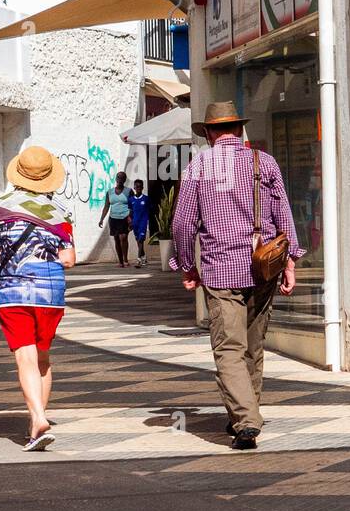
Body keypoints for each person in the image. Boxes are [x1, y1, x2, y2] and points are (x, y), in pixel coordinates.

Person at [171, 101, 302, 450]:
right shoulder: (264, 162)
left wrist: (187, 265)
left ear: (211, 133)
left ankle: (245, 420)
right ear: (239, 130)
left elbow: (183, 223)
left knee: (229, 347)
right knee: (253, 346)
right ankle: (246, 414)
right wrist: (290, 263)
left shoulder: (198, 165)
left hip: (219, 268)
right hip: (264, 266)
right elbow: (284, 216)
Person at [0, 146, 76, 452]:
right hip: (51, 293)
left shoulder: (2, 208)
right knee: (42, 358)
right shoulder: (60, 212)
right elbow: (69, 259)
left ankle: (38, 418)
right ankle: (36, 424)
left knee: (25, 357)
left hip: (14, 293)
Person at [98, 170, 132, 267]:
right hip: (113, 218)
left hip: (125, 217)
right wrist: (101, 219)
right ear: (116, 179)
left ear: (125, 180)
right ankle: (120, 261)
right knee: (117, 239)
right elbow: (106, 206)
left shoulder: (129, 191)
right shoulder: (110, 192)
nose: (119, 179)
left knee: (123, 237)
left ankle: (125, 259)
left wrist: (131, 217)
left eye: (122, 178)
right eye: (118, 177)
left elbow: (132, 205)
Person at [128, 178, 151, 268]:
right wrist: (129, 221)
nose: (138, 188)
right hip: (135, 223)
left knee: (141, 240)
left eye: (140, 187)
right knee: (138, 241)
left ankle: (138, 260)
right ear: (134, 187)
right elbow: (130, 212)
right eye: (136, 186)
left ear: (142, 188)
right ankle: (144, 257)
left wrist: (147, 220)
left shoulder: (146, 199)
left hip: (143, 223)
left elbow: (150, 210)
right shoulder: (131, 200)